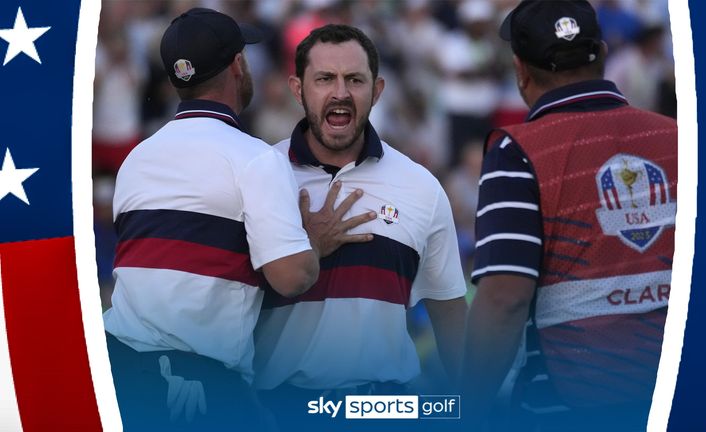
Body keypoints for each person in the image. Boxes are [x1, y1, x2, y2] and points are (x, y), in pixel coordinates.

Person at [103, 9, 371, 431]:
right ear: (237, 66)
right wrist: (312, 243)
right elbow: (290, 277)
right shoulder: (255, 159)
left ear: (177, 81)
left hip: (116, 372)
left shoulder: (137, 159)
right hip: (196, 387)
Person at [461, 1, 677, 431]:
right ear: (602, 53)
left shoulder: (516, 152)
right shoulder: (676, 138)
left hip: (569, 407)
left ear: (520, 71)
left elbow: (504, 300)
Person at [252, 23, 468, 425]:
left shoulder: (421, 186)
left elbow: (451, 316)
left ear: (378, 90)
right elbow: (230, 301)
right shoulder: (258, 175)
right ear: (298, 89)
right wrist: (307, 248)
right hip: (280, 412)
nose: (340, 93)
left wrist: (478, 409)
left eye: (354, 79)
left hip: (386, 411)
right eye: (324, 79)